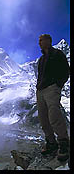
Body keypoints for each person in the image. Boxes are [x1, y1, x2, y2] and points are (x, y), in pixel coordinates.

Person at [36, 34, 70, 162]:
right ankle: (51, 143)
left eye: (41, 40)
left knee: (54, 115)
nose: (39, 43)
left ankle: (63, 143)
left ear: (49, 41)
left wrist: (58, 85)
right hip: (40, 91)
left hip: (51, 88)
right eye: (39, 41)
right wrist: (38, 87)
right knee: (43, 118)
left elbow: (66, 71)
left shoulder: (57, 54)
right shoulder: (41, 59)